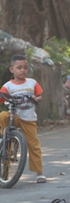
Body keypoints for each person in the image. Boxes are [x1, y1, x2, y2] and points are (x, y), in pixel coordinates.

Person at [0, 55, 45, 183]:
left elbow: (39, 96)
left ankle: (39, 173)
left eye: (25, 68)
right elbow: (1, 96)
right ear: (11, 69)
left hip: (29, 119)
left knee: (34, 145)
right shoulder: (8, 86)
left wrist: (36, 99)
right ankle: (5, 134)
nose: (22, 71)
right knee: (3, 115)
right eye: (19, 68)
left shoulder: (32, 83)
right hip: (14, 116)